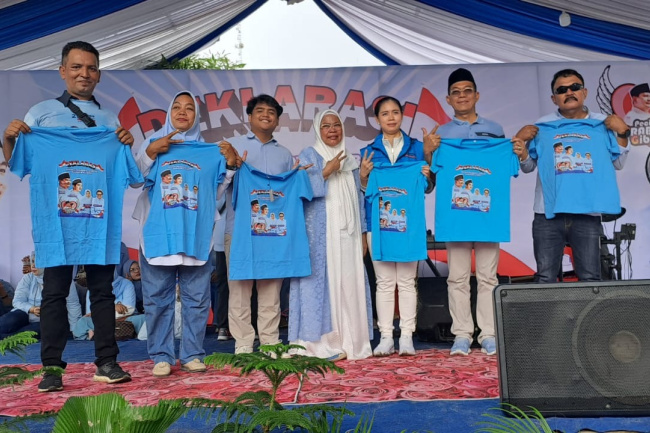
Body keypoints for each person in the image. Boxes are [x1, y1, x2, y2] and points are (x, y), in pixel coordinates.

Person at [2, 41, 137, 392]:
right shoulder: (41, 113)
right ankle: (52, 368)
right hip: (56, 224)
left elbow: (131, 173)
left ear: (99, 74)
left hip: (97, 223)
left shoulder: (109, 121)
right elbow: (20, 164)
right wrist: (9, 139)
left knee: (102, 292)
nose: (84, 74)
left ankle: (107, 362)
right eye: (76, 67)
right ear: (63, 71)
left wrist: (126, 142)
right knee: (54, 293)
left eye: (91, 68)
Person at [134, 90, 236, 377]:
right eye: (176, 107)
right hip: (158, 233)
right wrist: (150, 153)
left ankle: (192, 354)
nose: (182, 112)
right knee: (157, 299)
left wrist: (229, 167)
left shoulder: (211, 152)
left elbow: (215, 193)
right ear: (169, 113)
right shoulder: (153, 144)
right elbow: (135, 179)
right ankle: (161, 356)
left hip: (195, 233)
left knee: (197, 299)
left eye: (189, 108)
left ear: (196, 116)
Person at [428, 68, 522, 356]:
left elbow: (508, 166)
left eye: (467, 90)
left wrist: (516, 149)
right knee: (456, 278)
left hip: (487, 218)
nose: (462, 96)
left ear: (477, 95)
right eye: (456, 92)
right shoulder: (440, 134)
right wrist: (429, 152)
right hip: (455, 218)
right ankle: (462, 335)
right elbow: (431, 179)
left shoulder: (495, 130)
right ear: (448, 99)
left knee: (488, 278)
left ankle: (489, 334)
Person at [516, 69, 630, 282]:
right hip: (548, 213)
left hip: (588, 212)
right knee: (545, 278)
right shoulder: (542, 127)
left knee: (590, 278)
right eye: (562, 90)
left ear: (584, 92)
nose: (569, 92)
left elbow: (618, 163)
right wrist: (521, 146)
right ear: (554, 98)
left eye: (575, 87)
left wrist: (623, 133)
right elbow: (528, 167)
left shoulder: (604, 123)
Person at [289, 109, 373, 360]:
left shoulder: (350, 160)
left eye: (336, 125)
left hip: (348, 235)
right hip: (321, 236)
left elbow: (358, 199)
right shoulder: (309, 155)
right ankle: (321, 344)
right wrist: (326, 171)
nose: (332, 130)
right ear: (318, 130)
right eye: (326, 126)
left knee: (348, 283)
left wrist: (362, 233)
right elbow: (299, 189)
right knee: (323, 285)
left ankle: (351, 341)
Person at [359, 96, 434, 357]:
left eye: (395, 112)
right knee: (383, 282)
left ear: (402, 115)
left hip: (409, 225)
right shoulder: (368, 152)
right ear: (377, 119)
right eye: (385, 114)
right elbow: (364, 191)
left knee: (406, 281)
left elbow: (427, 187)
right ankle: (386, 337)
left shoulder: (418, 148)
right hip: (377, 224)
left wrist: (428, 173)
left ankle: (407, 337)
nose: (390, 118)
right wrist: (363, 177)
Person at [222, 94, 296, 355]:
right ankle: (243, 342)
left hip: (273, 233)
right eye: (260, 111)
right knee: (239, 290)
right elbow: (218, 188)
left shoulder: (285, 155)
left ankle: (270, 341)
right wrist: (232, 166)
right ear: (250, 117)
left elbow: (288, 194)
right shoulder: (232, 147)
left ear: (277, 120)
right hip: (238, 231)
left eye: (272, 112)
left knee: (271, 290)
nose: (266, 115)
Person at [0, 253, 82, 339]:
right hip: (25, 313)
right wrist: (31, 309)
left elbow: (73, 306)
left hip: (48, 319)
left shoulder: (63, 280)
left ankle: (7, 340)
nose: (33, 265)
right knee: (9, 321)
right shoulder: (28, 278)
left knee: (34, 330)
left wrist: (75, 331)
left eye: (38, 262)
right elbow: (17, 301)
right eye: (32, 261)